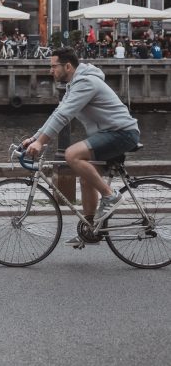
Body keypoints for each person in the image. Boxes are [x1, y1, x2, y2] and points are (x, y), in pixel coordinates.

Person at [22, 47, 140, 247]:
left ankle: (111, 196)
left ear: (67, 66)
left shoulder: (86, 83)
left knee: (72, 154)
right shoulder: (74, 85)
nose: (50, 71)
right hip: (108, 134)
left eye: (53, 66)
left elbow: (63, 116)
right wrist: (34, 137)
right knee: (87, 179)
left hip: (122, 133)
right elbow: (57, 113)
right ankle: (91, 229)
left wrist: (41, 142)